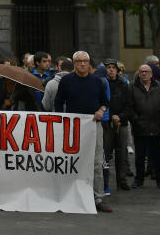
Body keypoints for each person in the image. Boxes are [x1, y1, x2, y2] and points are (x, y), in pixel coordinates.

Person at [55, 51, 110, 213]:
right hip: (73, 127)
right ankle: (72, 194)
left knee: (97, 162)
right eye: (79, 61)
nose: (82, 64)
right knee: (73, 160)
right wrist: (62, 122)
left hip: (94, 126)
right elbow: (59, 102)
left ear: (89, 63)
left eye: (85, 61)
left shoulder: (97, 81)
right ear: (74, 63)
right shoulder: (66, 81)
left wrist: (101, 110)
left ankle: (97, 197)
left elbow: (105, 101)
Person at [125, 63, 160, 190]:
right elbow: (129, 106)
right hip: (140, 127)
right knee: (139, 156)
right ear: (138, 73)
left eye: (146, 71)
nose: (144, 73)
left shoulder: (159, 86)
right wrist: (135, 120)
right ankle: (139, 180)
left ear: (151, 74)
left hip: (156, 126)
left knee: (157, 156)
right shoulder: (132, 86)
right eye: (142, 71)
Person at [102, 58, 131, 192]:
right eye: (109, 67)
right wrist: (110, 116)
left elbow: (129, 104)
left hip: (121, 122)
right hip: (107, 123)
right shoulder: (102, 83)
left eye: (113, 67)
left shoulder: (124, 84)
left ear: (118, 70)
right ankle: (104, 181)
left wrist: (120, 117)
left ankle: (122, 180)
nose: (111, 70)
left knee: (122, 153)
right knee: (105, 153)